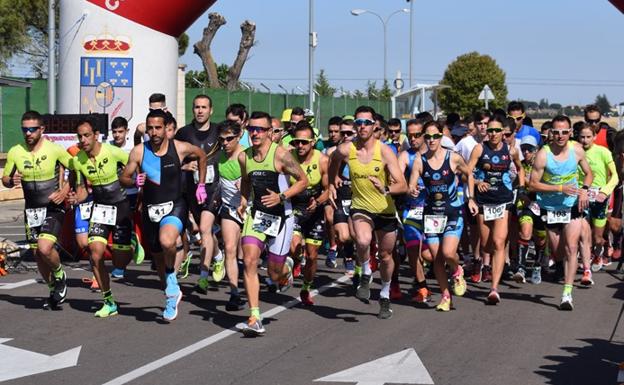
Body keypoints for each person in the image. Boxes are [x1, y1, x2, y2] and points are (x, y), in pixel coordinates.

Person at [120, 109, 207, 321]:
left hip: (175, 205)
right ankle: (171, 290)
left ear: (166, 129)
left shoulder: (179, 147)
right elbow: (123, 178)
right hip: (150, 209)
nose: (154, 132)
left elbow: (202, 155)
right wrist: (134, 181)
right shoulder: (139, 152)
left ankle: (171, 280)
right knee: (159, 259)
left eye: (158, 127)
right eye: (150, 128)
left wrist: (201, 185)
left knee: (167, 240)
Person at [328, 106, 408, 320]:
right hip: (361, 207)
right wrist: (331, 182)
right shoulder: (347, 149)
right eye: (359, 123)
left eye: (367, 123)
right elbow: (333, 160)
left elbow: (403, 185)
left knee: (385, 255)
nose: (362, 126)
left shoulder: (384, 151)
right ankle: (365, 271)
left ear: (374, 126)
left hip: (385, 210)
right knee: (362, 241)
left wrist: (386, 189)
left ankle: (384, 294)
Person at [236, 111, 308, 336]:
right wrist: (244, 199)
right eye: (251, 129)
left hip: (282, 217)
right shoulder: (244, 157)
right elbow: (247, 181)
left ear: (269, 132)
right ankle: (255, 316)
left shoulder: (282, 155)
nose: (255, 133)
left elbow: (303, 181)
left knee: (275, 276)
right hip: (257, 216)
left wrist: (282, 196)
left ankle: (286, 267)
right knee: (249, 260)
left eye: (259, 129)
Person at [2, 111, 72, 309]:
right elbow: (5, 179)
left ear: (42, 129)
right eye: (25, 129)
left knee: (44, 247)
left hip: (52, 207)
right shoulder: (16, 151)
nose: (28, 133)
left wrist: (65, 190)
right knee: (37, 254)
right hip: (31, 210)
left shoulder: (54, 149)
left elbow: (76, 168)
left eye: (32, 129)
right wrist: (10, 181)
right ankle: (54, 288)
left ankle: (59, 274)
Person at [408, 121, 478, 312]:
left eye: (435, 136)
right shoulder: (419, 160)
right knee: (436, 258)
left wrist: (471, 198)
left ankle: (457, 270)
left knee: (448, 253)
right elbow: (412, 182)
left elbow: (469, 174)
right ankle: (446, 296)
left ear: (441, 137)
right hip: (432, 215)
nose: (431, 140)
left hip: (453, 211)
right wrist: (412, 190)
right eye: (428, 137)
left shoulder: (453, 157)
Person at [69, 118, 133, 318]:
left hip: (120, 206)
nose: (83, 140)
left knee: (120, 262)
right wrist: (76, 196)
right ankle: (109, 301)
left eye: (86, 135)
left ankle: (132, 243)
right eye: (80, 136)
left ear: (96, 135)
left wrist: (134, 180)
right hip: (100, 209)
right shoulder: (77, 160)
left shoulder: (113, 151)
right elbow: (80, 189)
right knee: (95, 254)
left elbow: (133, 166)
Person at [529, 115, 592, 311]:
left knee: (571, 248)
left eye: (565, 132)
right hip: (550, 208)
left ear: (570, 133)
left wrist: (583, 189)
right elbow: (532, 184)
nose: (560, 136)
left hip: (571, 205)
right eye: (556, 132)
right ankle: (556, 262)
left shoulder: (577, 149)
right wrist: (559, 188)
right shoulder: (543, 154)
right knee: (558, 251)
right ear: (550, 133)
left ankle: (567, 293)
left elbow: (589, 173)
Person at [468, 116, 524, 303]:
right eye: (490, 130)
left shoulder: (511, 150)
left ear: (503, 133)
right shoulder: (479, 149)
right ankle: (490, 264)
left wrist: (521, 188)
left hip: (503, 201)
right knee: (486, 245)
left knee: (499, 243)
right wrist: (475, 187)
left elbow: (520, 168)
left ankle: (494, 288)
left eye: (497, 131)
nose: (493, 134)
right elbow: (467, 173)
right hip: (483, 202)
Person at [175, 94, 225, 294]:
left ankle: (203, 277)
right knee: (206, 233)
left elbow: (232, 152)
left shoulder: (219, 131)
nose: (200, 111)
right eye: (197, 107)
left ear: (211, 110)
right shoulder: (184, 133)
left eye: (204, 107)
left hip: (213, 188)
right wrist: (186, 165)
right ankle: (218, 255)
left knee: (205, 228)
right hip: (192, 189)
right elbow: (172, 158)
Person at [288, 121, 329, 305]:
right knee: (294, 247)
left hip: (315, 209)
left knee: (312, 256)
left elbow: (329, 189)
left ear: (312, 142)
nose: (300, 146)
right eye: (297, 142)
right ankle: (295, 260)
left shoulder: (322, 160)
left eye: (304, 142)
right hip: (294, 207)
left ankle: (306, 286)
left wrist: (319, 201)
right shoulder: (288, 158)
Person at [398, 118, 433, 302]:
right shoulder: (405, 155)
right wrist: (406, 186)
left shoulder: (436, 154)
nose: (413, 139)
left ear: (425, 135)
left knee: (429, 254)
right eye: (410, 135)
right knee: (412, 250)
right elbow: (397, 177)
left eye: (417, 135)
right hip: (412, 209)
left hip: (434, 210)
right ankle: (422, 287)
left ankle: (455, 269)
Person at [576, 122, 619, 276]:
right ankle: (586, 265)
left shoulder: (603, 152)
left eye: (588, 137)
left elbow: (615, 176)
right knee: (582, 233)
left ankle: (599, 252)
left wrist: (605, 192)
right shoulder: (575, 152)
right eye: (582, 137)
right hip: (581, 196)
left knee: (597, 237)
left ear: (594, 137)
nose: (585, 140)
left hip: (600, 197)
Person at [216, 120, 247, 311]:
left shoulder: (246, 156)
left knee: (251, 254)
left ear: (239, 136)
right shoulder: (219, 156)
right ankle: (234, 293)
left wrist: (245, 184)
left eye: (229, 139)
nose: (225, 143)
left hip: (251, 209)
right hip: (230, 209)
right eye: (222, 140)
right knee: (229, 248)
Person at [108, 116, 144, 278]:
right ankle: (125, 250)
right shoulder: (107, 147)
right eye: (114, 132)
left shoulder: (132, 148)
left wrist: (140, 187)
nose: (117, 135)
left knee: (123, 224)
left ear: (127, 132)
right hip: (112, 193)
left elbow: (139, 168)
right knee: (115, 227)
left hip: (130, 193)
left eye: (120, 132)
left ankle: (121, 266)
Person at [326, 119, 356, 276]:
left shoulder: (364, 153)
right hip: (342, 195)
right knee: (344, 236)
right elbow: (330, 176)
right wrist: (332, 183)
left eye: (349, 133)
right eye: (342, 133)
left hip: (360, 197)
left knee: (359, 235)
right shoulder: (333, 152)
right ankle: (348, 255)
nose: (345, 136)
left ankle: (356, 260)